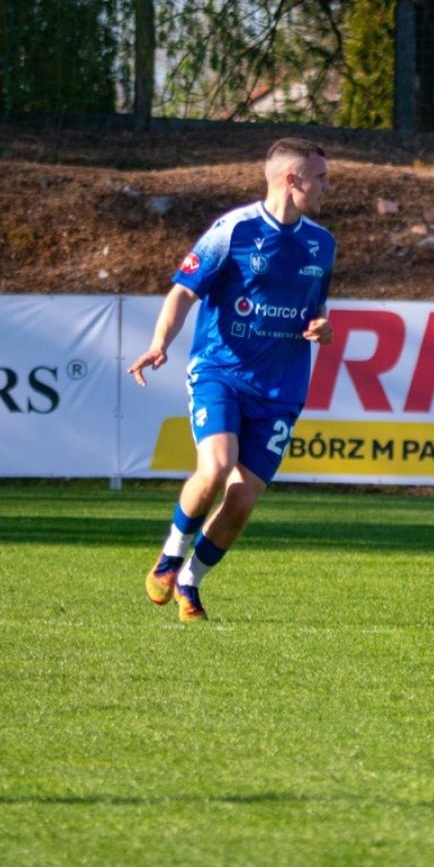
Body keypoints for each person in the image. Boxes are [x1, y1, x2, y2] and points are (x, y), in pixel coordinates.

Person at [128, 138, 336, 619]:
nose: (328, 186)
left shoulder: (322, 243)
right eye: (321, 177)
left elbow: (316, 305)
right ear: (292, 179)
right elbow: (183, 291)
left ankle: (190, 581)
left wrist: (323, 327)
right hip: (220, 372)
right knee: (217, 466)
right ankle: (170, 555)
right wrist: (161, 342)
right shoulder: (232, 231)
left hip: (282, 389)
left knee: (241, 499)